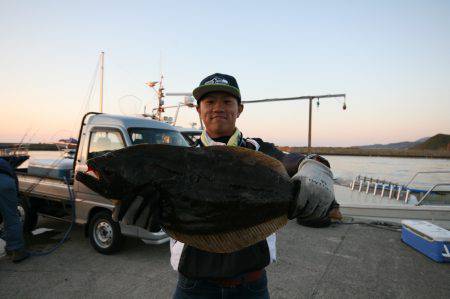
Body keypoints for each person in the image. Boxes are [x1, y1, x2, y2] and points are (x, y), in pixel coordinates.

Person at [170, 73, 341, 298]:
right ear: (198, 109)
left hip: (250, 286)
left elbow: (294, 162)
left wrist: (314, 167)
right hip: (192, 284)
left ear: (239, 109)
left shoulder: (261, 152)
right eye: (210, 102)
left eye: (227, 102)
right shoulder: (179, 159)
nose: (218, 108)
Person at [0, 157, 30, 263]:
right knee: (11, 218)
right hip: (4, 183)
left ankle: (9, 248)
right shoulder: (4, 163)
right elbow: (14, 181)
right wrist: (16, 197)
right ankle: (17, 251)